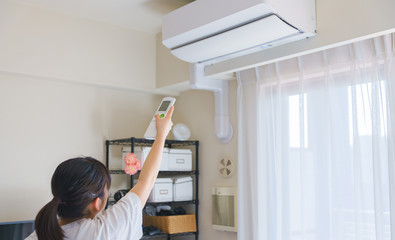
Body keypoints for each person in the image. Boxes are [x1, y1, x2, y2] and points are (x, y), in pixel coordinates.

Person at [26, 106, 174, 240]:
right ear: (97, 203)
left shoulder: (37, 236)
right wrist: (161, 133)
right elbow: (146, 181)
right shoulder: (106, 231)